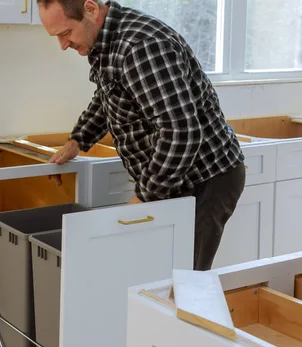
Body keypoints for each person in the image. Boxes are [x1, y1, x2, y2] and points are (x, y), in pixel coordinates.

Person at [38, 0, 246, 271]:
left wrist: (144, 196)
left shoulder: (141, 47)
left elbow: (180, 132)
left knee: (185, 283)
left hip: (205, 180)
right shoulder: (107, 43)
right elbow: (109, 97)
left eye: (66, 33)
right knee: (161, 279)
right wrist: (78, 139)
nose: (63, 45)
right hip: (176, 179)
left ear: (90, 9)